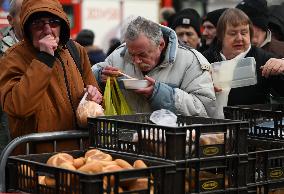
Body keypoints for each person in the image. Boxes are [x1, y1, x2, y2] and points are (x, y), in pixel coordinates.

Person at [0, 0, 102, 154]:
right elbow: (18, 107)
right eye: (38, 23)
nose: (48, 30)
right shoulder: (13, 57)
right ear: (28, 26)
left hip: (80, 156)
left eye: (54, 22)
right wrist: (44, 59)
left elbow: (98, 101)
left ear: (62, 25)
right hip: (37, 160)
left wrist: (94, 97)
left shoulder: (76, 50)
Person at [92, 16, 217, 118]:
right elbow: (89, 76)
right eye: (131, 54)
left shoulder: (190, 61)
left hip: (169, 141)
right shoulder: (118, 55)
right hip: (126, 140)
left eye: (142, 54)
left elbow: (205, 110)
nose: (136, 61)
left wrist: (161, 94)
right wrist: (100, 75)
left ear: (161, 45)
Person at [203, 8, 284, 109]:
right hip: (214, 122)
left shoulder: (264, 59)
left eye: (244, 33)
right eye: (233, 33)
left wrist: (281, 67)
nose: (239, 38)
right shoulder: (205, 59)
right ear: (220, 36)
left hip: (254, 122)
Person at [0, 0, 23, 153]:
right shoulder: (4, 53)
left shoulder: (55, 49)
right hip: (8, 143)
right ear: (11, 20)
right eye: (24, 13)